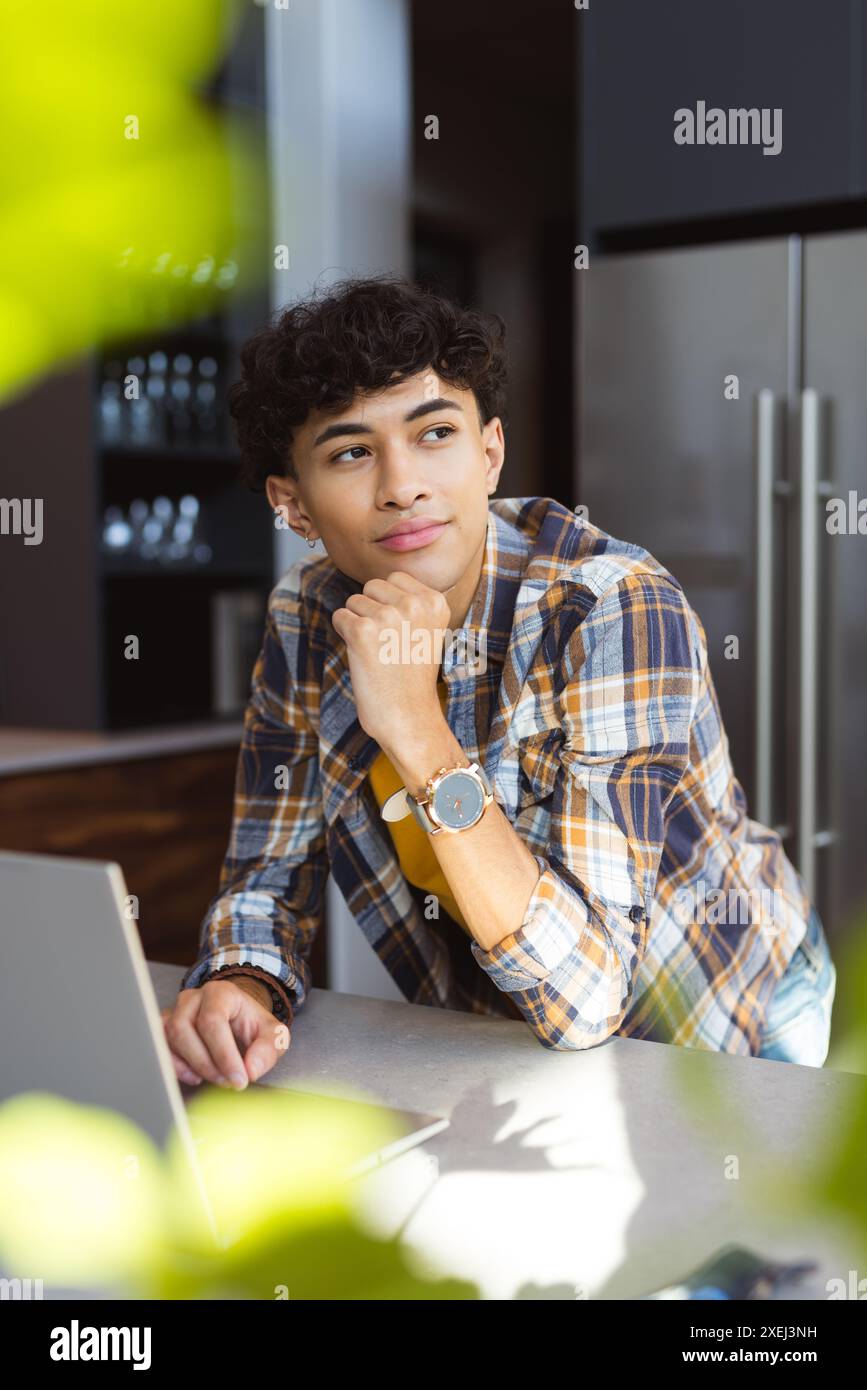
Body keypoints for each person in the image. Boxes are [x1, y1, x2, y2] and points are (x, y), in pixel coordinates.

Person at [161, 273, 835, 1090]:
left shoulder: (607, 607)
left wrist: (412, 724)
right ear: (292, 504)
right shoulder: (306, 618)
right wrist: (243, 979)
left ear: (488, 453)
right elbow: (268, 872)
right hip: (518, 1031)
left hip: (725, 1012)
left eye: (434, 433)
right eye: (350, 452)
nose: (401, 485)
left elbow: (587, 1000)